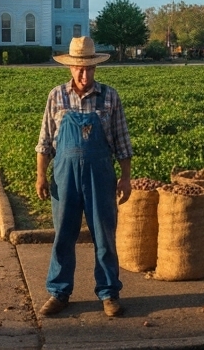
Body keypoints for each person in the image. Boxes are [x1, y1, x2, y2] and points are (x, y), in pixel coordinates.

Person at [35, 36, 133, 317]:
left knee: (104, 235)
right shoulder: (56, 96)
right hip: (64, 177)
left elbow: (122, 142)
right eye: (78, 68)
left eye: (89, 68)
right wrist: (41, 175)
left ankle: (109, 293)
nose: (83, 73)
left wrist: (125, 178)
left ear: (95, 68)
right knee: (64, 235)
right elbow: (45, 141)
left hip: (100, 177)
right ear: (70, 67)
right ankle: (59, 292)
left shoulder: (110, 97)